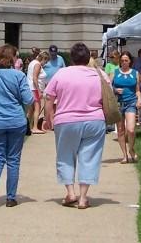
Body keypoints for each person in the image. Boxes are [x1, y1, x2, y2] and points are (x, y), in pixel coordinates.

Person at [43, 42, 106, 210]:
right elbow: (109, 95)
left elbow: (49, 98)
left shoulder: (61, 74)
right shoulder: (99, 74)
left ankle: (71, 192)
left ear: (71, 58)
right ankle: (83, 197)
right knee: (90, 157)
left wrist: (48, 119)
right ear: (88, 58)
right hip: (95, 120)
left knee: (65, 156)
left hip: (66, 120)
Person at [0, 44, 34, 210]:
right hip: (16, 121)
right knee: (13, 160)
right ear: (13, 59)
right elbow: (29, 99)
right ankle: (11, 197)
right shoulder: (18, 76)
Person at [112, 52, 141, 163]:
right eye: (122, 60)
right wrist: (115, 90)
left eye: (126, 60)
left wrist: (139, 99)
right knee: (120, 130)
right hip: (119, 103)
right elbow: (108, 88)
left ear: (130, 61)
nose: (124, 62)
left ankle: (131, 150)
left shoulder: (135, 73)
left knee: (131, 129)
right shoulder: (114, 72)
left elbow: (137, 90)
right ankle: (124, 155)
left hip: (131, 102)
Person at [26, 51, 49, 134]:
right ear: (43, 58)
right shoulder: (37, 64)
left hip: (31, 88)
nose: (45, 63)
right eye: (45, 61)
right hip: (34, 89)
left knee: (31, 109)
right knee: (37, 108)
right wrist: (39, 91)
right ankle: (35, 127)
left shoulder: (32, 63)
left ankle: (28, 126)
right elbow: (35, 78)